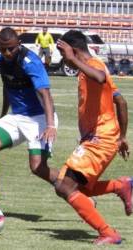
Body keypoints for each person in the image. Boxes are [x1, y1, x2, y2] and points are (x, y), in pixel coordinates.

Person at [0, 27, 59, 216]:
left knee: (38, 168)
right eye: (3, 48)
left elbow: (45, 94)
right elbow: (7, 87)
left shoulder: (31, 62)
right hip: (17, 117)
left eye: (11, 49)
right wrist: (2, 115)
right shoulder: (0, 61)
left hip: (40, 118)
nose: (7, 53)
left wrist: (50, 125)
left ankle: (77, 192)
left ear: (19, 45)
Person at [55, 30, 131, 245]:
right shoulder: (89, 69)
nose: (63, 58)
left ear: (74, 50)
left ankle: (108, 233)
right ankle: (120, 186)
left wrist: (71, 59)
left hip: (100, 139)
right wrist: (122, 137)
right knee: (73, 186)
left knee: (64, 187)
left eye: (64, 53)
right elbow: (121, 101)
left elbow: (99, 78)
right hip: (97, 138)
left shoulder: (95, 68)